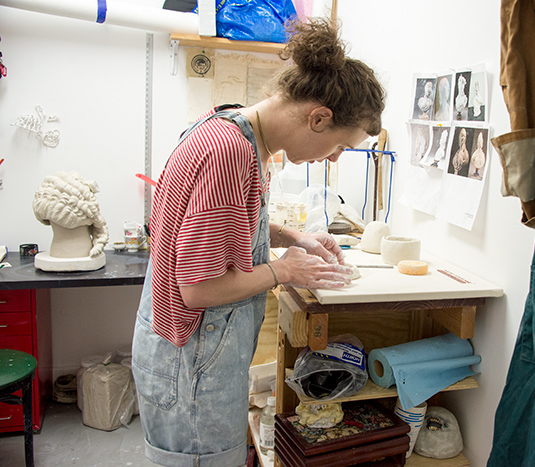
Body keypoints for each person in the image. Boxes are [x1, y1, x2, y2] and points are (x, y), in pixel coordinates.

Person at [131, 18, 385, 467]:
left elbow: (225, 225)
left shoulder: (234, 127)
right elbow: (199, 289)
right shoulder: (231, 154)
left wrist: (294, 237)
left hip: (189, 353)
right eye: (340, 145)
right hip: (190, 361)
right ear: (319, 117)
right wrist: (284, 270)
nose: (335, 157)